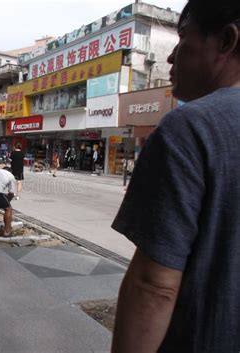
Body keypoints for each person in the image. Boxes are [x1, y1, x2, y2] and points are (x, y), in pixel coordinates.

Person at [111, 1, 240, 352]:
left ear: (227, 41)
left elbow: (155, 285)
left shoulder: (189, 128)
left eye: (183, 38)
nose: (170, 58)